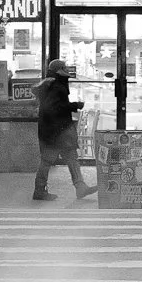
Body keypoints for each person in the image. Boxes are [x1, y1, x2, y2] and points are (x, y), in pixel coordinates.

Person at [31, 58, 95, 202]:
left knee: (66, 158)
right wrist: (75, 105)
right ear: (60, 70)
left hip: (51, 129)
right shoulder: (57, 86)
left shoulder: (49, 84)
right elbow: (55, 108)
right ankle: (42, 190)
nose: (67, 70)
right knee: (55, 159)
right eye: (64, 68)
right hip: (58, 131)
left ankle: (78, 187)